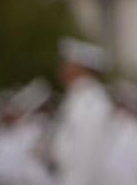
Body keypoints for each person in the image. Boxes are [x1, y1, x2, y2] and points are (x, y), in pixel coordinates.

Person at [50, 40, 116, 185]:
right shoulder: (77, 99)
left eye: (67, 64)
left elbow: (87, 155)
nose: (62, 70)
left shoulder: (91, 103)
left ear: (81, 68)